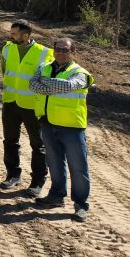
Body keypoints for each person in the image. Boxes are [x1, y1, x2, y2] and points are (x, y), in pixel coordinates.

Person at [30, 38, 94, 222]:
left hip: (72, 127)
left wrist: (45, 84)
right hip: (48, 124)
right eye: (58, 49)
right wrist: (49, 85)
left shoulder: (80, 72)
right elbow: (32, 85)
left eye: (65, 50)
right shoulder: (44, 67)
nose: (61, 53)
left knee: (78, 167)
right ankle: (56, 196)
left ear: (73, 52)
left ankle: (81, 205)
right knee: (55, 163)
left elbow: (68, 86)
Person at [0, 19, 54, 197]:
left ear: (26, 35)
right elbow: (5, 71)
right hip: (10, 103)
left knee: (38, 145)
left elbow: (47, 80)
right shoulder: (7, 49)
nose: (10, 36)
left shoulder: (45, 53)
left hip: (32, 106)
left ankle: (37, 182)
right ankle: (13, 175)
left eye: (14, 33)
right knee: (10, 141)